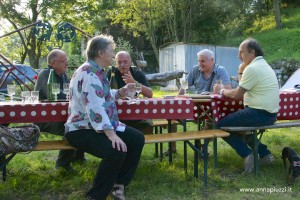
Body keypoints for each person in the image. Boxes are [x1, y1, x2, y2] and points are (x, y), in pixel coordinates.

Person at [64, 35, 145, 200]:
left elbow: (100, 96)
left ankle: (118, 184)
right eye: (111, 51)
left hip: (94, 126)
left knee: (136, 139)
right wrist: (111, 134)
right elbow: (95, 108)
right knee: (116, 150)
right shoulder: (89, 73)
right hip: (81, 129)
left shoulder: (94, 71)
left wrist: (120, 92)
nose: (113, 55)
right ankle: (95, 196)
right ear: (101, 53)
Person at [213, 38, 279, 173]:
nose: (239, 56)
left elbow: (237, 95)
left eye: (241, 52)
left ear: (252, 52)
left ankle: (247, 154)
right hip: (270, 115)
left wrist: (221, 90)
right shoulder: (264, 65)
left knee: (219, 124)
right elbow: (243, 87)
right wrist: (241, 69)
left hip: (259, 114)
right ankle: (265, 155)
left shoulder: (253, 68)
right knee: (244, 128)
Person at [34, 49, 85, 171]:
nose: (66, 64)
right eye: (64, 61)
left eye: (66, 61)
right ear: (52, 63)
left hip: (59, 116)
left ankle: (77, 156)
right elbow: (55, 95)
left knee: (83, 122)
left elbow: (70, 93)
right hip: (44, 118)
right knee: (73, 127)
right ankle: (62, 163)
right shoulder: (45, 74)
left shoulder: (63, 75)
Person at [106, 51, 153, 134]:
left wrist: (134, 82)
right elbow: (106, 94)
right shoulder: (111, 73)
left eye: (125, 61)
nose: (122, 65)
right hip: (117, 116)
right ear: (115, 63)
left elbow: (150, 94)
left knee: (147, 125)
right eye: (119, 62)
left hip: (137, 116)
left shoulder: (137, 74)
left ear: (130, 62)